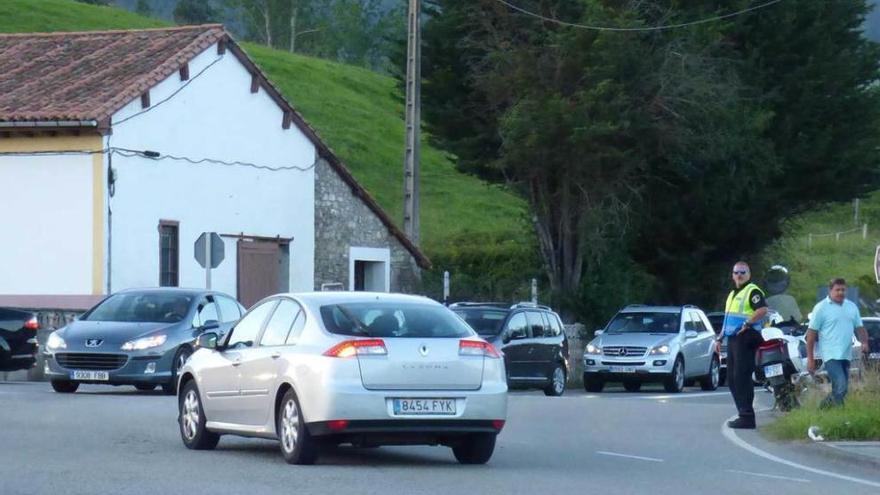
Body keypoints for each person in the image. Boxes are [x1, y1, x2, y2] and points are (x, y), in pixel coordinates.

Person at [716, 261, 768, 429]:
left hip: (746, 336)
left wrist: (747, 323)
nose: (739, 275)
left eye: (742, 272)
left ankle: (747, 417)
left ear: (749, 274)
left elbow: (762, 310)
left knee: (741, 377)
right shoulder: (733, 294)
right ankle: (742, 414)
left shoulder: (752, 290)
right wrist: (719, 338)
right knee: (731, 378)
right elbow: (728, 318)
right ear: (732, 275)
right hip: (733, 338)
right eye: (736, 272)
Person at [806, 278, 870, 408]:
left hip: (846, 354)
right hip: (830, 355)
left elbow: (860, 328)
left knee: (841, 389)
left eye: (843, 290)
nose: (840, 292)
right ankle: (838, 413)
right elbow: (811, 336)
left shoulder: (851, 307)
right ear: (830, 290)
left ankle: (823, 411)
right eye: (837, 290)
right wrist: (810, 359)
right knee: (841, 386)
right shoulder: (821, 308)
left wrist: (864, 342)